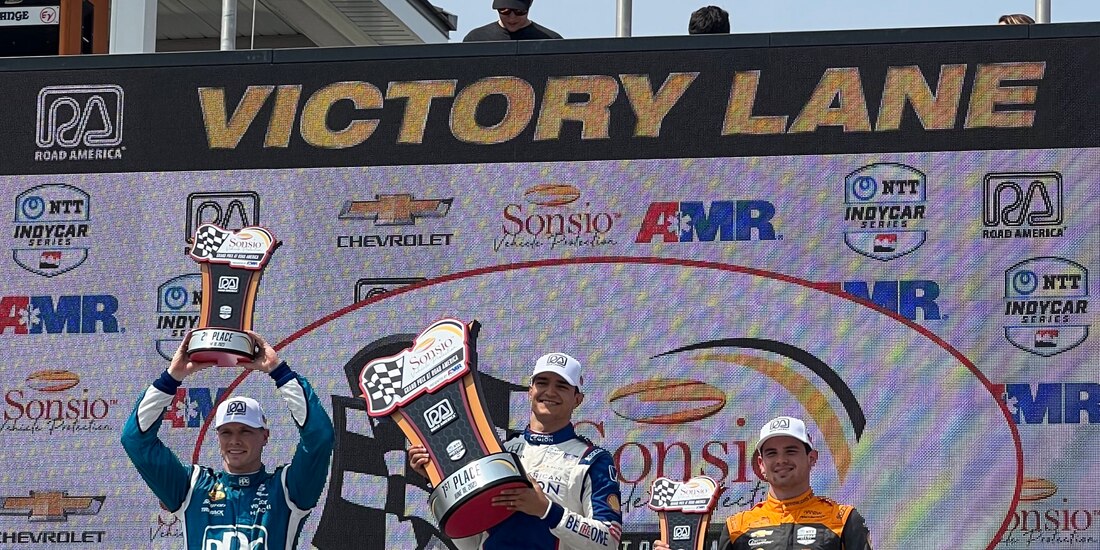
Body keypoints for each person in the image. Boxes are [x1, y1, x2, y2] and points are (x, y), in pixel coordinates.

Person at [121, 331, 335, 550]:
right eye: (226, 432)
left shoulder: (287, 490)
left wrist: (278, 371)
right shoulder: (192, 487)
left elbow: (320, 437)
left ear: (265, 436)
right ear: (217, 436)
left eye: (245, 431)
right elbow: (135, 439)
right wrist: (172, 377)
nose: (235, 440)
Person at [408, 352, 622, 549]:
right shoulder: (496, 454)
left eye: (562, 386)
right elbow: (470, 543)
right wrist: (439, 479)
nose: (550, 391)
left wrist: (547, 510)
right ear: (530, 391)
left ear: (577, 399)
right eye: (542, 382)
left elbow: (609, 540)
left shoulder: (592, 460)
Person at [655, 416, 872, 550]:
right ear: (761, 464)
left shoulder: (843, 520)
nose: (781, 460)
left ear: (811, 458)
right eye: (771, 453)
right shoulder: (737, 527)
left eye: (791, 451)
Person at [463, 0, 563, 42]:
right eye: (504, 10)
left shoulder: (551, 41)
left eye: (519, 11)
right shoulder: (475, 39)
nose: (512, 18)